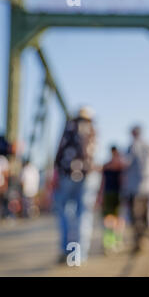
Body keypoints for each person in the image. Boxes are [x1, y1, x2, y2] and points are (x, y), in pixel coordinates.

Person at [53, 106, 96, 263]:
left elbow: (59, 151)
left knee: (65, 213)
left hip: (67, 174)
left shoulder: (69, 127)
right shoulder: (92, 129)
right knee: (83, 214)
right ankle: (79, 255)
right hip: (88, 175)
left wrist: (55, 173)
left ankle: (66, 249)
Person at [122, 125, 149, 252]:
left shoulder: (132, 147)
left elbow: (125, 164)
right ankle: (145, 238)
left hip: (135, 187)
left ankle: (139, 240)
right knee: (146, 213)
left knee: (137, 215)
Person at [99, 146, 126, 254]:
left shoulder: (120, 166)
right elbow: (103, 182)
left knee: (119, 219)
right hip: (109, 194)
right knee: (109, 219)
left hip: (117, 194)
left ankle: (116, 241)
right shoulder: (108, 166)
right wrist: (100, 195)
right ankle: (109, 242)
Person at [0, 154, 9, 219]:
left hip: (1, 183)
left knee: (2, 200)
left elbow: (6, 173)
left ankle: (3, 215)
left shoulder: (3, 159)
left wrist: (5, 184)